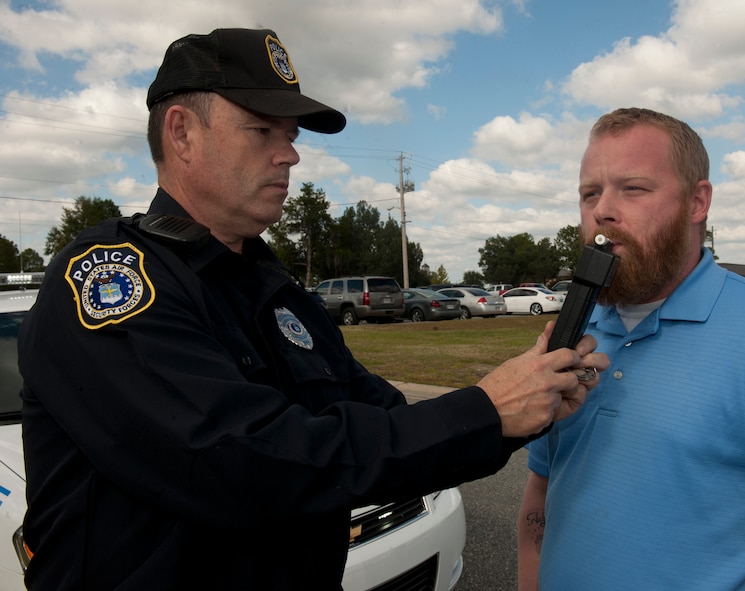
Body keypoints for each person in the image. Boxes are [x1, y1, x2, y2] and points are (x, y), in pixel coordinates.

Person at [17, 28, 608, 590]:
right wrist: (488, 411)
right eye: (262, 132)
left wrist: (525, 399)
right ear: (181, 133)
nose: (290, 156)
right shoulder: (109, 279)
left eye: (292, 137)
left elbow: (386, 419)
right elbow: (240, 461)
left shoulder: (279, 296)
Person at [516, 107, 745, 590]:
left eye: (633, 188)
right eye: (589, 194)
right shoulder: (573, 338)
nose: (602, 210)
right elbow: (541, 490)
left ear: (697, 201)